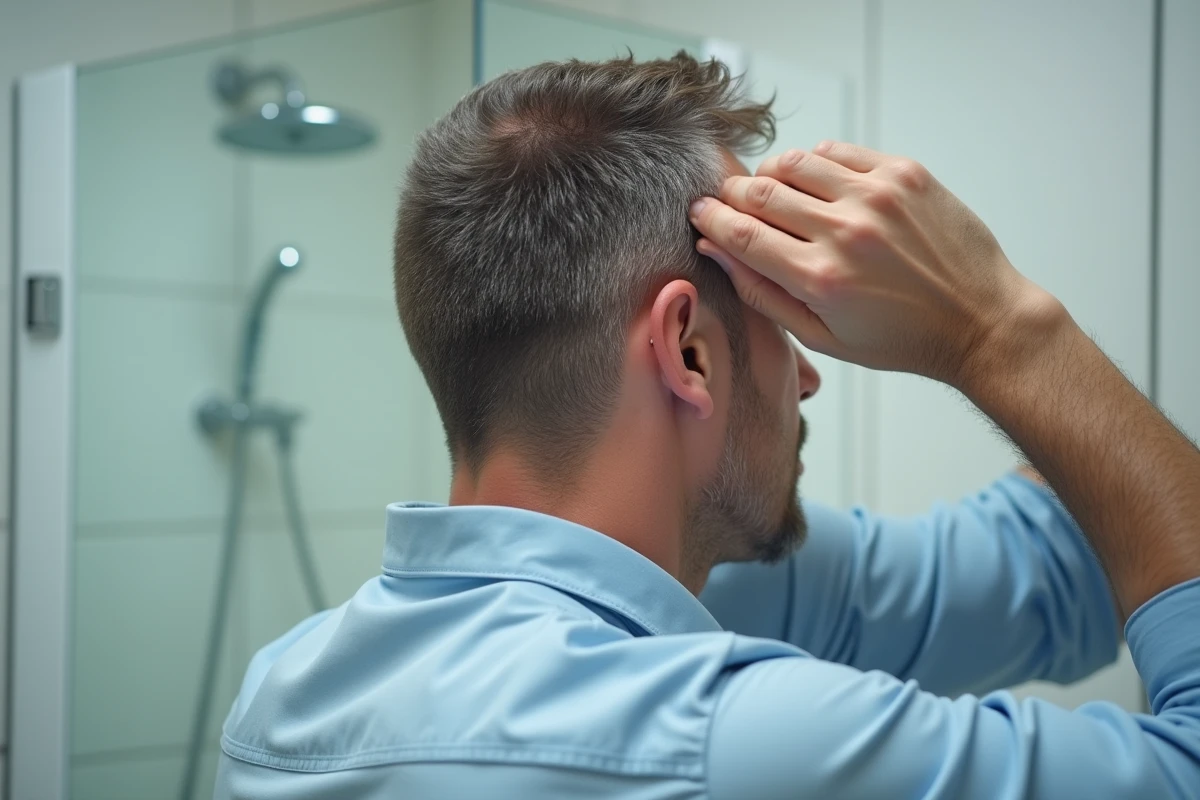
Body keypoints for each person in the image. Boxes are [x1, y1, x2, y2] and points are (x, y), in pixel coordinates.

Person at [214, 53, 1200, 799]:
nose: (809, 375)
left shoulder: (283, 694)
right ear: (688, 349)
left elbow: (1033, 574)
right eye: (778, 318)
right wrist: (1001, 334)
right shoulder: (732, 742)